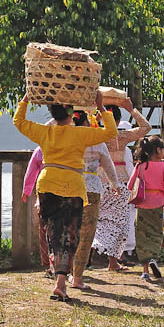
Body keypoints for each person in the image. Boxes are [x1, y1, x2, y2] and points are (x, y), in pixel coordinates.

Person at [14, 91, 117, 302]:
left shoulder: (45, 132)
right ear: (71, 113)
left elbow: (19, 121)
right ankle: (61, 282)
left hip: (47, 185)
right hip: (73, 187)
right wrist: (101, 107)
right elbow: (110, 132)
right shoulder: (80, 134)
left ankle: (57, 273)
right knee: (70, 235)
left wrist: (26, 99)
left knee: (53, 232)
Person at [93, 101, 151, 270]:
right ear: (118, 121)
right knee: (122, 225)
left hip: (100, 184)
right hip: (120, 184)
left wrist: (98, 114)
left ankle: (112, 261)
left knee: (101, 220)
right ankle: (98, 246)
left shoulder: (95, 134)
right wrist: (131, 109)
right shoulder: (122, 136)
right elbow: (146, 127)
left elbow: (87, 126)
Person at [71, 110, 118, 283]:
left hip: (70, 186)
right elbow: (108, 164)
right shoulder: (96, 139)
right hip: (91, 188)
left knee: (70, 230)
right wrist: (115, 184)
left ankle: (63, 270)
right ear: (87, 122)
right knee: (86, 233)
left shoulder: (67, 138)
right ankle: (77, 276)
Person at [130, 136, 164, 281]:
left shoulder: (140, 166)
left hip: (142, 203)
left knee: (142, 234)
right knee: (156, 232)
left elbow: (130, 185)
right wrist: (162, 193)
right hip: (157, 203)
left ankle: (145, 271)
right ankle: (153, 258)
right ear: (158, 150)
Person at [22, 145, 52, 275]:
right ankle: (61, 263)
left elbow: (31, 171)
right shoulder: (66, 145)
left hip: (44, 193)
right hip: (64, 191)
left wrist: (26, 191)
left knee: (44, 229)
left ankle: (49, 263)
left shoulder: (40, 150)